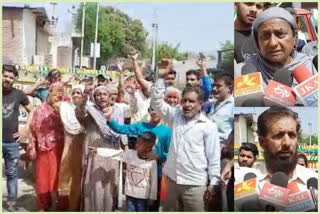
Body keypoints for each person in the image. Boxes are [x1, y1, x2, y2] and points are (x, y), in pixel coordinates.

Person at [150, 65, 220, 211]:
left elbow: (213, 157)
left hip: (194, 185)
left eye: (192, 101)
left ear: (200, 104)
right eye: (185, 101)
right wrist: (161, 78)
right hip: (171, 180)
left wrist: (213, 182)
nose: (187, 105)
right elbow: (156, 102)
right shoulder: (175, 116)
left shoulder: (208, 126)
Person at [235, 107, 318, 192]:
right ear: (262, 142)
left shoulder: (314, 181)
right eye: (279, 135)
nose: (287, 143)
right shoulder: (242, 181)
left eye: (292, 135)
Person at [106, 105, 172, 211]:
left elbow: (170, 155)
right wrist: (109, 119)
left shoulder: (167, 132)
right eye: (151, 109)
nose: (154, 112)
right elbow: (121, 129)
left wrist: (158, 157)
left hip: (155, 174)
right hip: (137, 172)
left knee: (151, 207)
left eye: (157, 110)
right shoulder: (141, 126)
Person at [235, 7, 317, 89]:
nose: (272, 43)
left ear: (294, 38)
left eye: (280, 34)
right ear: (257, 42)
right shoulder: (241, 73)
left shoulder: (311, 66)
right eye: (265, 36)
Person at [74, 85, 126, 211]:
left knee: (109, 185)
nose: (101, 97)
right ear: (94, 97)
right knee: (95, 185)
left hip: (111, 153)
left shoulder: (117, 111)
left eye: (104, 94)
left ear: (109, 97)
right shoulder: (90, 112)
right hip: (94, 154)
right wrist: (84, 98)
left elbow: (121, 132)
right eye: (98, 94)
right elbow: (79, 113)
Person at [28, 82, 65, 211]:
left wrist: (61, 112)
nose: (57, 97)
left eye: (60, 95)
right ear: (49, 93)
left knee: (60, 177)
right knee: (43, 178)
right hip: (44, 149)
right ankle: (44, 204)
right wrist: (32, 146)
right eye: (55, 94)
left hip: (61, 148)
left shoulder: (64, 109)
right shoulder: (39, 109)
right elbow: (32, 129)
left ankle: (61, 204)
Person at [2, 65, 32, 212]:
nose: (7, 79)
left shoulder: (19, 94)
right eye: (5, 76)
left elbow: (32, 111)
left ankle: (12, 204)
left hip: (11, 142)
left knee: (12, 174)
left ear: (14, 80)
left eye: (11, 77)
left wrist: (25, 130)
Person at [57, 85, 86, 211]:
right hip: (68, 149)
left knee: (80, 179)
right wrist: (62, 83)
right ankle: (66, 206)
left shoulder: (87, 110)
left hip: (82, 150)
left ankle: (78, 206)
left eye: (79, 93)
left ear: (83, 95)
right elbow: (52, 97)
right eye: (73, 92)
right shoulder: (64, 108)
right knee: (65, 178)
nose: (75, 95)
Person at [206, 73, 234, 148]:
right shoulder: (212, 105)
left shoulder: (233, 105)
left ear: (229, 88)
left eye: (218, 86)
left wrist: (228, 147)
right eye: (213, 86)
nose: (214, 89)